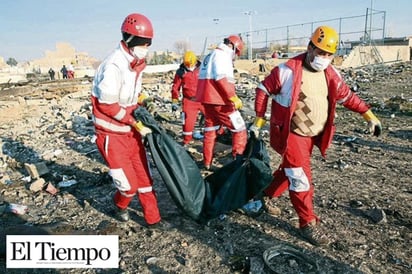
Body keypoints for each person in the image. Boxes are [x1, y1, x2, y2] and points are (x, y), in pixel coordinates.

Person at [249, 26, 382, 246]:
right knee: (300, 178)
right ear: (310, 48)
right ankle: (307, 223)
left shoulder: (331, 74)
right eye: (320, 52)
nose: (324, 58)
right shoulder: (287, 71)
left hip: (312, 135)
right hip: (292, 134)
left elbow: (347, 96)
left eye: (329, 54)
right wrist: (259, 119)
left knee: (290, 170)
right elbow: (263, 90)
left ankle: (264, 194)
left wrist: (368, 115)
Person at [91, 12, 163, 227]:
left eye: (148, 43)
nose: (146, 47)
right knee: (128, 186)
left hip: (130, 134)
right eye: (143, 43)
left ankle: (154, 219)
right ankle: (120, 205)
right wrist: (133, 121)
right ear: (129, 40)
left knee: (145, 180)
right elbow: (107, 104)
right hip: (112, 135)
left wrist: (143, 99)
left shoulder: (135, 62)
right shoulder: (114, 65)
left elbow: (130, 94)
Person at [196, 35, 247, 170]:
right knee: (239, 128)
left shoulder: (210, 55)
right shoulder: (222, 55)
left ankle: (207, 162)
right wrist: (232, 97)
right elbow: (221, 78)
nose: (235, 55)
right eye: (236, 52)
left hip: (207, 100)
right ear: (233, 46)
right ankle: (238, 164)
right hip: (220, 101)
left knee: (210, 131)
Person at [171, 51, 204, 146]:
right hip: (189, 101)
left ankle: (218, 134)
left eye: (191, 64)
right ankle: (186, 141)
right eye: (187, 65)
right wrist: (174, 100)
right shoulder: (181, 72)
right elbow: (175, 87)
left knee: (213, 117)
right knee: (187, 124)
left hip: (203, 99)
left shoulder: (202, 69)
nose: (189, 66)